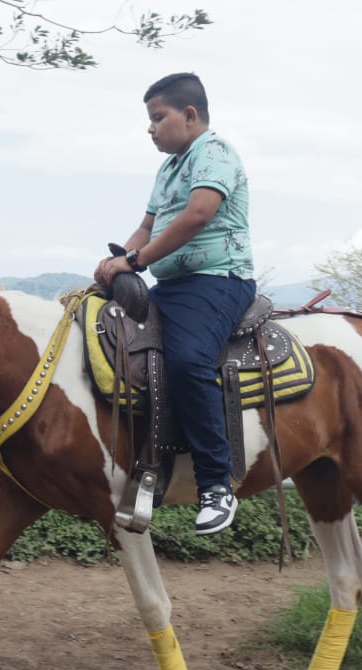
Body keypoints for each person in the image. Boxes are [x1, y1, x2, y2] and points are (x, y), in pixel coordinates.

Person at [94, 72, 256, 536]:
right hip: (174, 284)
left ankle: (216, 484)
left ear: (189, 115)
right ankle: (146, 467)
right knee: (122, 347)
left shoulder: (215, 152)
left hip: (217, 281)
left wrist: (135, 261)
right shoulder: (168, 168)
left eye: (157, 117)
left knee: (187, 360)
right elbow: (145, 228)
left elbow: (197, 215)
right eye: (149, 119)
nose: (150, 128)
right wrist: (115, 265)